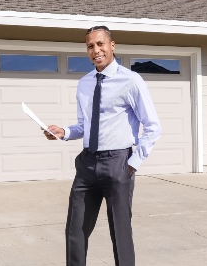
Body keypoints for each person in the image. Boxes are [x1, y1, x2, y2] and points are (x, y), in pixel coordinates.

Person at [44, 25, 160, 266]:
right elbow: (84, 126)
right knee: (75, 231)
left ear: (112, 46)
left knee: (120, 233)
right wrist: (63, 132)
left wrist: (132, 164)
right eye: (90, 46)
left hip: (119, 163)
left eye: (100, 44)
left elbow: (152, 126)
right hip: (87, 164)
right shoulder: (84, 83)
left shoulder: (131, 80)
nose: (95, 50)